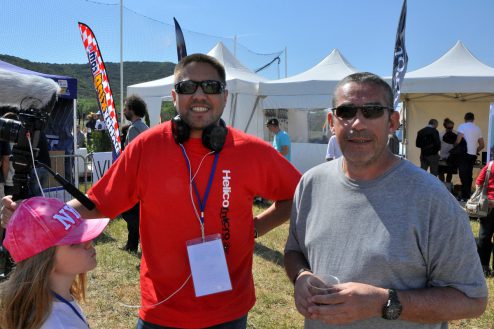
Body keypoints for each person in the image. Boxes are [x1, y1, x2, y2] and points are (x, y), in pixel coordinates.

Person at [2, 54, 301, 329]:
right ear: (174, 96)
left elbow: (299, 194)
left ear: (224, 96)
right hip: (162, 310)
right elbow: (98, 203)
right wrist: (36, 221)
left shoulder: (251, 151)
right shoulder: (147, 147)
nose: (199, 94)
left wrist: (257, 227)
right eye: (187, 87)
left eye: (210, 86)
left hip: (229, 309)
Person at [284, 72, 487, 329]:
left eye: (372, 111)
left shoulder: (432, 199)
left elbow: (471, 300)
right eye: (346, 112)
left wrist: (382, 302)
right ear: (331, 122)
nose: (357, 123)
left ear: (392, 122)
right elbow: (294, 251)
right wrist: (301, 276)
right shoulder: (310, 184)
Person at [0, 197, 109, 329]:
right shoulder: (56, 324)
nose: (89, 242)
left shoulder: (56, 299)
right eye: (74, 243)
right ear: (46, 262)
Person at [120, 94, 149, 253]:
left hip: (135, 177)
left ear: (132, 109)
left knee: (129, 211)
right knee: (136, 211)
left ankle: (137, 243)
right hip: (144, 177)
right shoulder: (144, 127)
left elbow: (131, 156)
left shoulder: (133, 129)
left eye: (126, 108)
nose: (124, 110)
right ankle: (132, 245)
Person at [456, 112, 484, 201]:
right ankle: (467, 195)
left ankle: (465, 195)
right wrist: (475, 151)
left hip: (464, 154)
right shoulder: (477, 128)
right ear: (473, 119)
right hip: (472, 155)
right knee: (468, 174)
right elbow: (482, 145)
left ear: (465, 118)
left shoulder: (462, 126)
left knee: (463, 174)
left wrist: (454, 146)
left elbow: (458, 140)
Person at [474, 161, 494, 276]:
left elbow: (478, 183)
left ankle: (483, 267)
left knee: (484, 236)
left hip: (487, 205)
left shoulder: (490, 166)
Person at [438, 118, 457, 190]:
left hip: (452, 157)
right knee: (441, 173)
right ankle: (441, 188)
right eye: (449, 128)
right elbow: (438, 146)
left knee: (450, 173)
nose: (451, 129)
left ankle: (448, 188)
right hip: (442, 156)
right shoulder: (440, 134)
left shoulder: (456, 133)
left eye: (452, 127)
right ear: (445, 126)